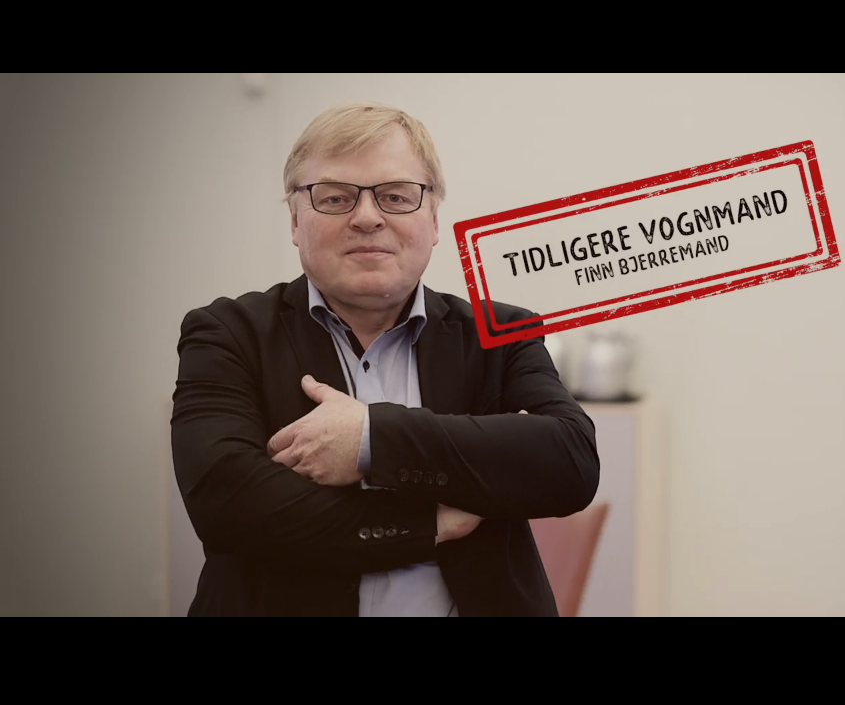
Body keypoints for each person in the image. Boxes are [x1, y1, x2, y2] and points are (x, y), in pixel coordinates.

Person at [170, 102, 600, 616]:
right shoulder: (227, 334)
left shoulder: (501, 334)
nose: (368, 217)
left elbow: (570, 463)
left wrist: (371, 438)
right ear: (295, 220)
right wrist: (428, 523)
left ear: (433, 220)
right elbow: (226, 503)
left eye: (396, 196)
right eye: (335, 197)